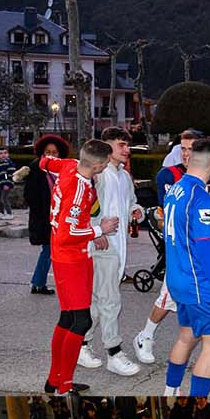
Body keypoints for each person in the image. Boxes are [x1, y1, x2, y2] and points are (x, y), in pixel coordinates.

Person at [131, 130, 210, 364]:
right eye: (182, 149)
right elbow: (162, 214)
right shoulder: (171, 176)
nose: (186, 153)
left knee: (204, 298)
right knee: (169, 297)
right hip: (182, 249)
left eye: (190, 148)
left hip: (206, 242)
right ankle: (146, 335)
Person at [162, 137, 210, 398]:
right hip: (199, 284)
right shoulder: (202, 200)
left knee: (187, 335)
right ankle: (199, 402)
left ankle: (170, 390)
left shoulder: (175, 190)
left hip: (177, 278)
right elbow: (207, 254)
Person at [38, 137, 112, 394]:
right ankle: (64, 384)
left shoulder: (69, 165)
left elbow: (44, 162)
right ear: (99, 166)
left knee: (69, 317)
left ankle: (54, 380)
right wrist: (98, 229)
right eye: (105, 164)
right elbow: (67, 233)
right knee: (81, 321)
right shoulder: (80, 189)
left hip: (62, 256)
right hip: (73, 258)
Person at [81, 126, 145, 377]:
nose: (127, 150)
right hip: (102, 245)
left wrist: (135, 210)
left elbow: (129, 203)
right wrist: (95, 233)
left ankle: (81, 345)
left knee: (98, 302)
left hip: (117, 247)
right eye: (121, 145)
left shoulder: (123, 176)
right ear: (107, 147)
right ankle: (114, 353)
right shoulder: (99, 174)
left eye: (127, 146)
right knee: (109, 301)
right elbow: (85, 208)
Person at [23, 134, 68, 295]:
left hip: (59, 217)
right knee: (49, 250)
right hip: (44, 218)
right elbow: (29, 195)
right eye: (48, 151)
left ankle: (38, 282)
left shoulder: (62, 169)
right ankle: (38, 283)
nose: (51, 155)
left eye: (54, 152)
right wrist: (43, 214)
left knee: (50, 251)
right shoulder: (36, 168)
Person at [0, 145, 17, 216]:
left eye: (5, 153)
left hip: (6, 184)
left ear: (8, 154)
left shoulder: (10, 163)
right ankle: (1, 212)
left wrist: (8, 184)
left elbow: (11, 175)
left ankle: (9, 213)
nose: (3, 155)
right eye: (1, 153)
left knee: (4, 199)